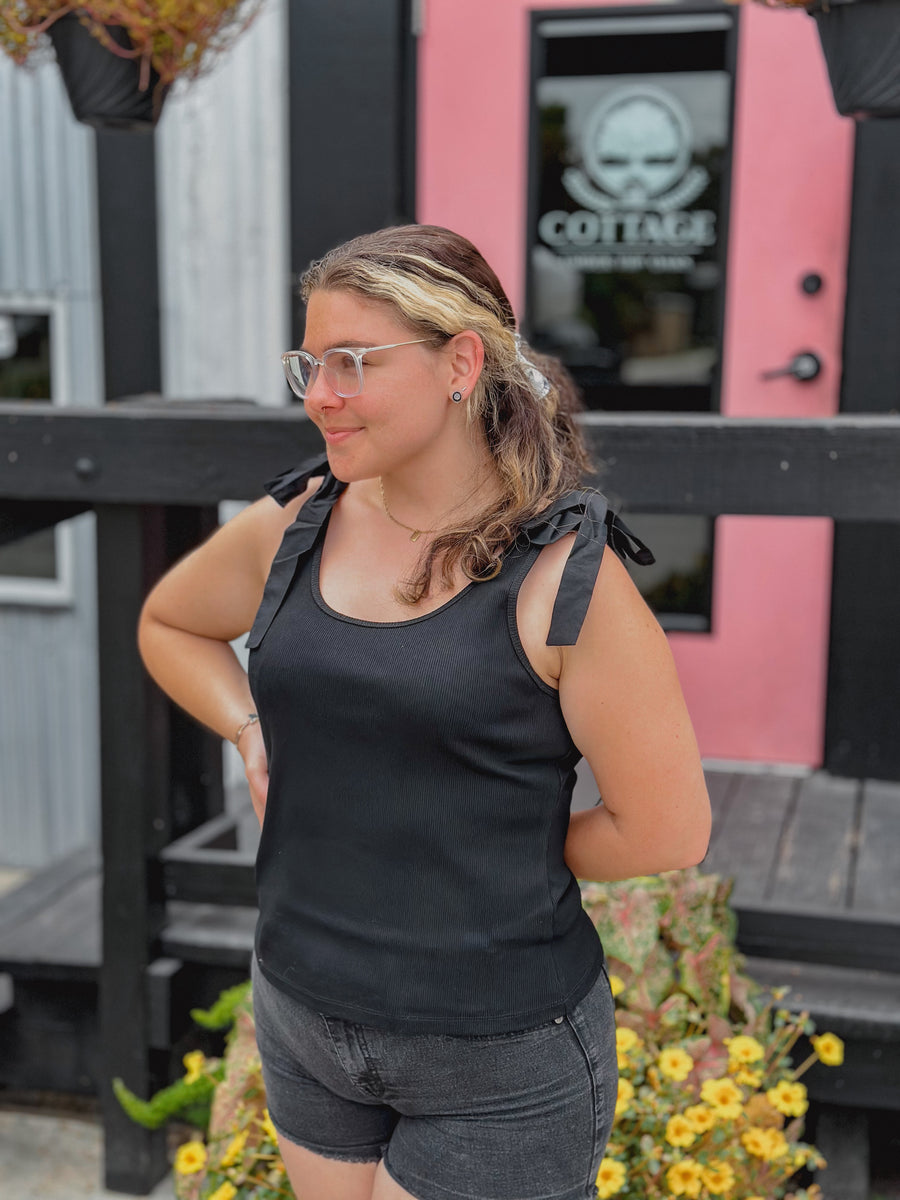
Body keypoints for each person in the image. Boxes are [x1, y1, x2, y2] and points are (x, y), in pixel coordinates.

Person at [138, 224, 711, 1200]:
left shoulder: (568, 580)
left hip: (497, 1055)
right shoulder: (300, 523)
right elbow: (169, 624)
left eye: (354, 362)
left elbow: (668, 829)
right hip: (305, 1016)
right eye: (310, 364)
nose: (321, 394)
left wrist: (496, 839)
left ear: (460, 362)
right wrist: (247, 726)